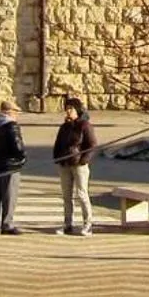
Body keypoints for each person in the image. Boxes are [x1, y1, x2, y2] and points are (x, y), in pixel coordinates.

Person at [51, 98, 97, 236]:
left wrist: (83, 160)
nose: (68, 111)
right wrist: (57, 158)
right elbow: (58, 144)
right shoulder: (64, 127)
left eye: (71, 108)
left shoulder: (84, 125)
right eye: (67, 108)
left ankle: (88, 223)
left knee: (82, 194)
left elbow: (92, 144)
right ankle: (67, 224)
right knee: (66, 196)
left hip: (79, 165)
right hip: (65, 164)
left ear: (77, 110)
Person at [0, 100, 26, 235]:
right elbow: (18, 146)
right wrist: (22, 157)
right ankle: (7, 224)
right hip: (11, 165)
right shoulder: (11, 125)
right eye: (16, 112)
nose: (17, 116)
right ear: (10, 112)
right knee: (9, 196)